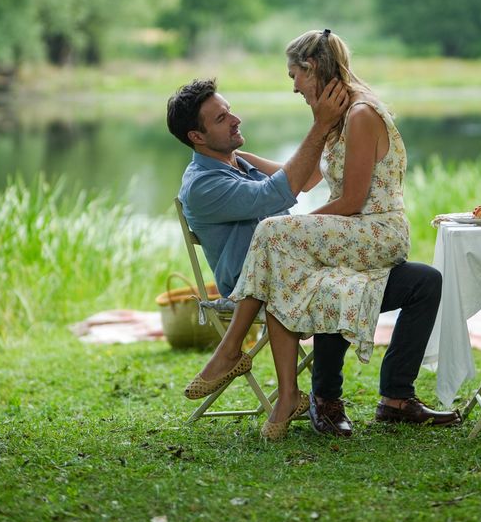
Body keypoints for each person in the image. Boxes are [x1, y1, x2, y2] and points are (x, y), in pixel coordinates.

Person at [167, 34, 458, 439]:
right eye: (221, 118)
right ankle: (326, 398)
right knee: (378, 280)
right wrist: (301, 226)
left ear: (313, 69)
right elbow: (293, 187)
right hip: (292, 264)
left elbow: (322, 190)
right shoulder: (205, 183)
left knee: (276, 233)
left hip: (365, 234)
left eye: (294, 75)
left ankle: (231, 352)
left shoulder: (356, 115)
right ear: (197, 137)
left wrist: (297, 228)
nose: (293, 87)